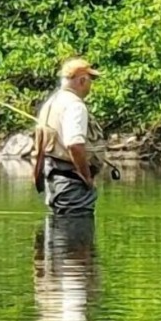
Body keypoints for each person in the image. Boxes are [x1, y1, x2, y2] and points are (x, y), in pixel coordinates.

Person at [32, 56, 105, 216]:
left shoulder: (52, 102)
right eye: (90, 81)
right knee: (77, 232)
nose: (90, 86)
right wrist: (87, 178)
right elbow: (74, 144)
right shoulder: (75, 106)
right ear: (82, 81)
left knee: (58, 236)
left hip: (54, 181)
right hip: (72, 185)